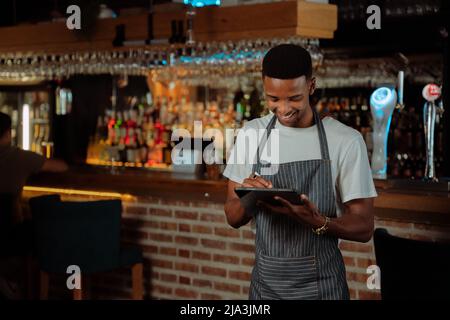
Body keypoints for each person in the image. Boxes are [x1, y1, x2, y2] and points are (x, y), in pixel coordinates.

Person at [223, 44, 377, 300]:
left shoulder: (346, 140)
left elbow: (364, 227)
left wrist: (319, 222)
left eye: (294, 98)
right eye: (273, 99)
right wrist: (249, 196)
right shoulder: (252, 134)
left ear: (311, 86)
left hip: (323, 288)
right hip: (266, 290)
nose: (283, 108)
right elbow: (232, 216)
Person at [0, 111, 68, 299]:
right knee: (38, 227)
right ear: (8, 134)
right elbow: (62, 167)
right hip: (9, 233)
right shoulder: (19, 157)